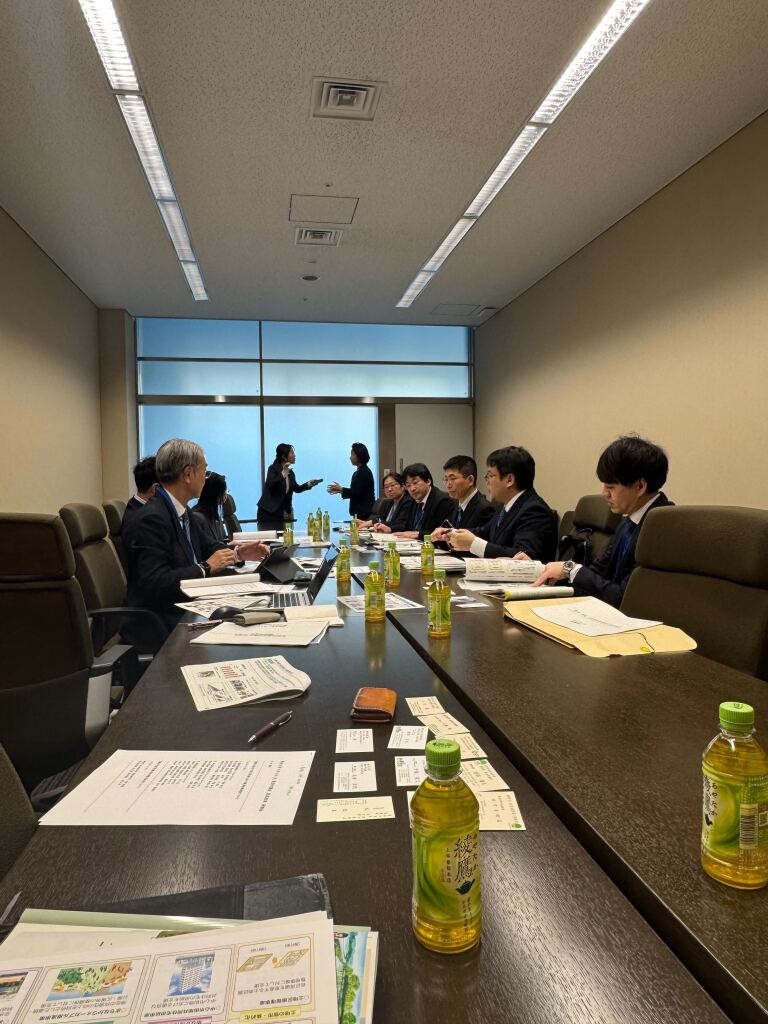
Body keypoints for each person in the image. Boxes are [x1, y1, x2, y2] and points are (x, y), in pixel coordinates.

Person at [125, 438, 269, 630]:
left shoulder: (183, 511)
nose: (205, 477)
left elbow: (208, 546)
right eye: (204, 471)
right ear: (188, 474)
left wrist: (237, 554)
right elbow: (156, 582)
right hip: (164, 619)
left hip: (189, 604)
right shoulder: (152, 518)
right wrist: (205, 568)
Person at [533, 435, 672, 607]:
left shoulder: (662, 528)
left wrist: (571, 569)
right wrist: (538, 570)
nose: (604, 493)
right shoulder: (629, 521)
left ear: (640, 487)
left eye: (610, 487)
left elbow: (624, 598)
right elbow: (597, 571)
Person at [448, 446, 556, 560]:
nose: (487, 481)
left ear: (509, 480)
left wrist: (474, 544)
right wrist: (451, 533)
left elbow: (522, 556)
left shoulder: (534, 511)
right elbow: (485, 531)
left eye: (490, 475)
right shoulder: (504, 505)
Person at [374, 463, 455, 539]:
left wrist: (418, 534)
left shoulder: (442, 501)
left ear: (428, 481)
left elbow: (445, 534)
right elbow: (405, 525)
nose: (412, 489)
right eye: (408, 485)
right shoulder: (413, 500)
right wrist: (389, 529)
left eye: (415, 483)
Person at [431, 455, 495, 547]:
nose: (448, 485)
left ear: (470, 480)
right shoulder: (456, 505)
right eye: (446, 479)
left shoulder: (485, 508)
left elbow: (480, 545)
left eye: (452, 479)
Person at [257, 443, 321, 527]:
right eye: (292, 453)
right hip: (267, 512)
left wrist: (309, 484)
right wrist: (282, 474)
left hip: (280, 512)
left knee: (281, 534)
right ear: (284, 456)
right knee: (268, 535)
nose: (294, 455)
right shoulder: (273, 468)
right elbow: (271, 485)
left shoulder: (291, 473)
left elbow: (297, 488)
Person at [327, 442, 376, 519]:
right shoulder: (357, 473)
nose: (350, 457)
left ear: (359, 456)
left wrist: (342, 489)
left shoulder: (365, 472)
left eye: (352, 454)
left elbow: (358, 493)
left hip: (364, 514)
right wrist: (341, 490)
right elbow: (355, 492)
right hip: (359, 513)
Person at [191, 471, 228, 545]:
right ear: (217, 494)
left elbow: (221, 542)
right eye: (225, 492)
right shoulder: (197, 518)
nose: (226, 495)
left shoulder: (214, 517)